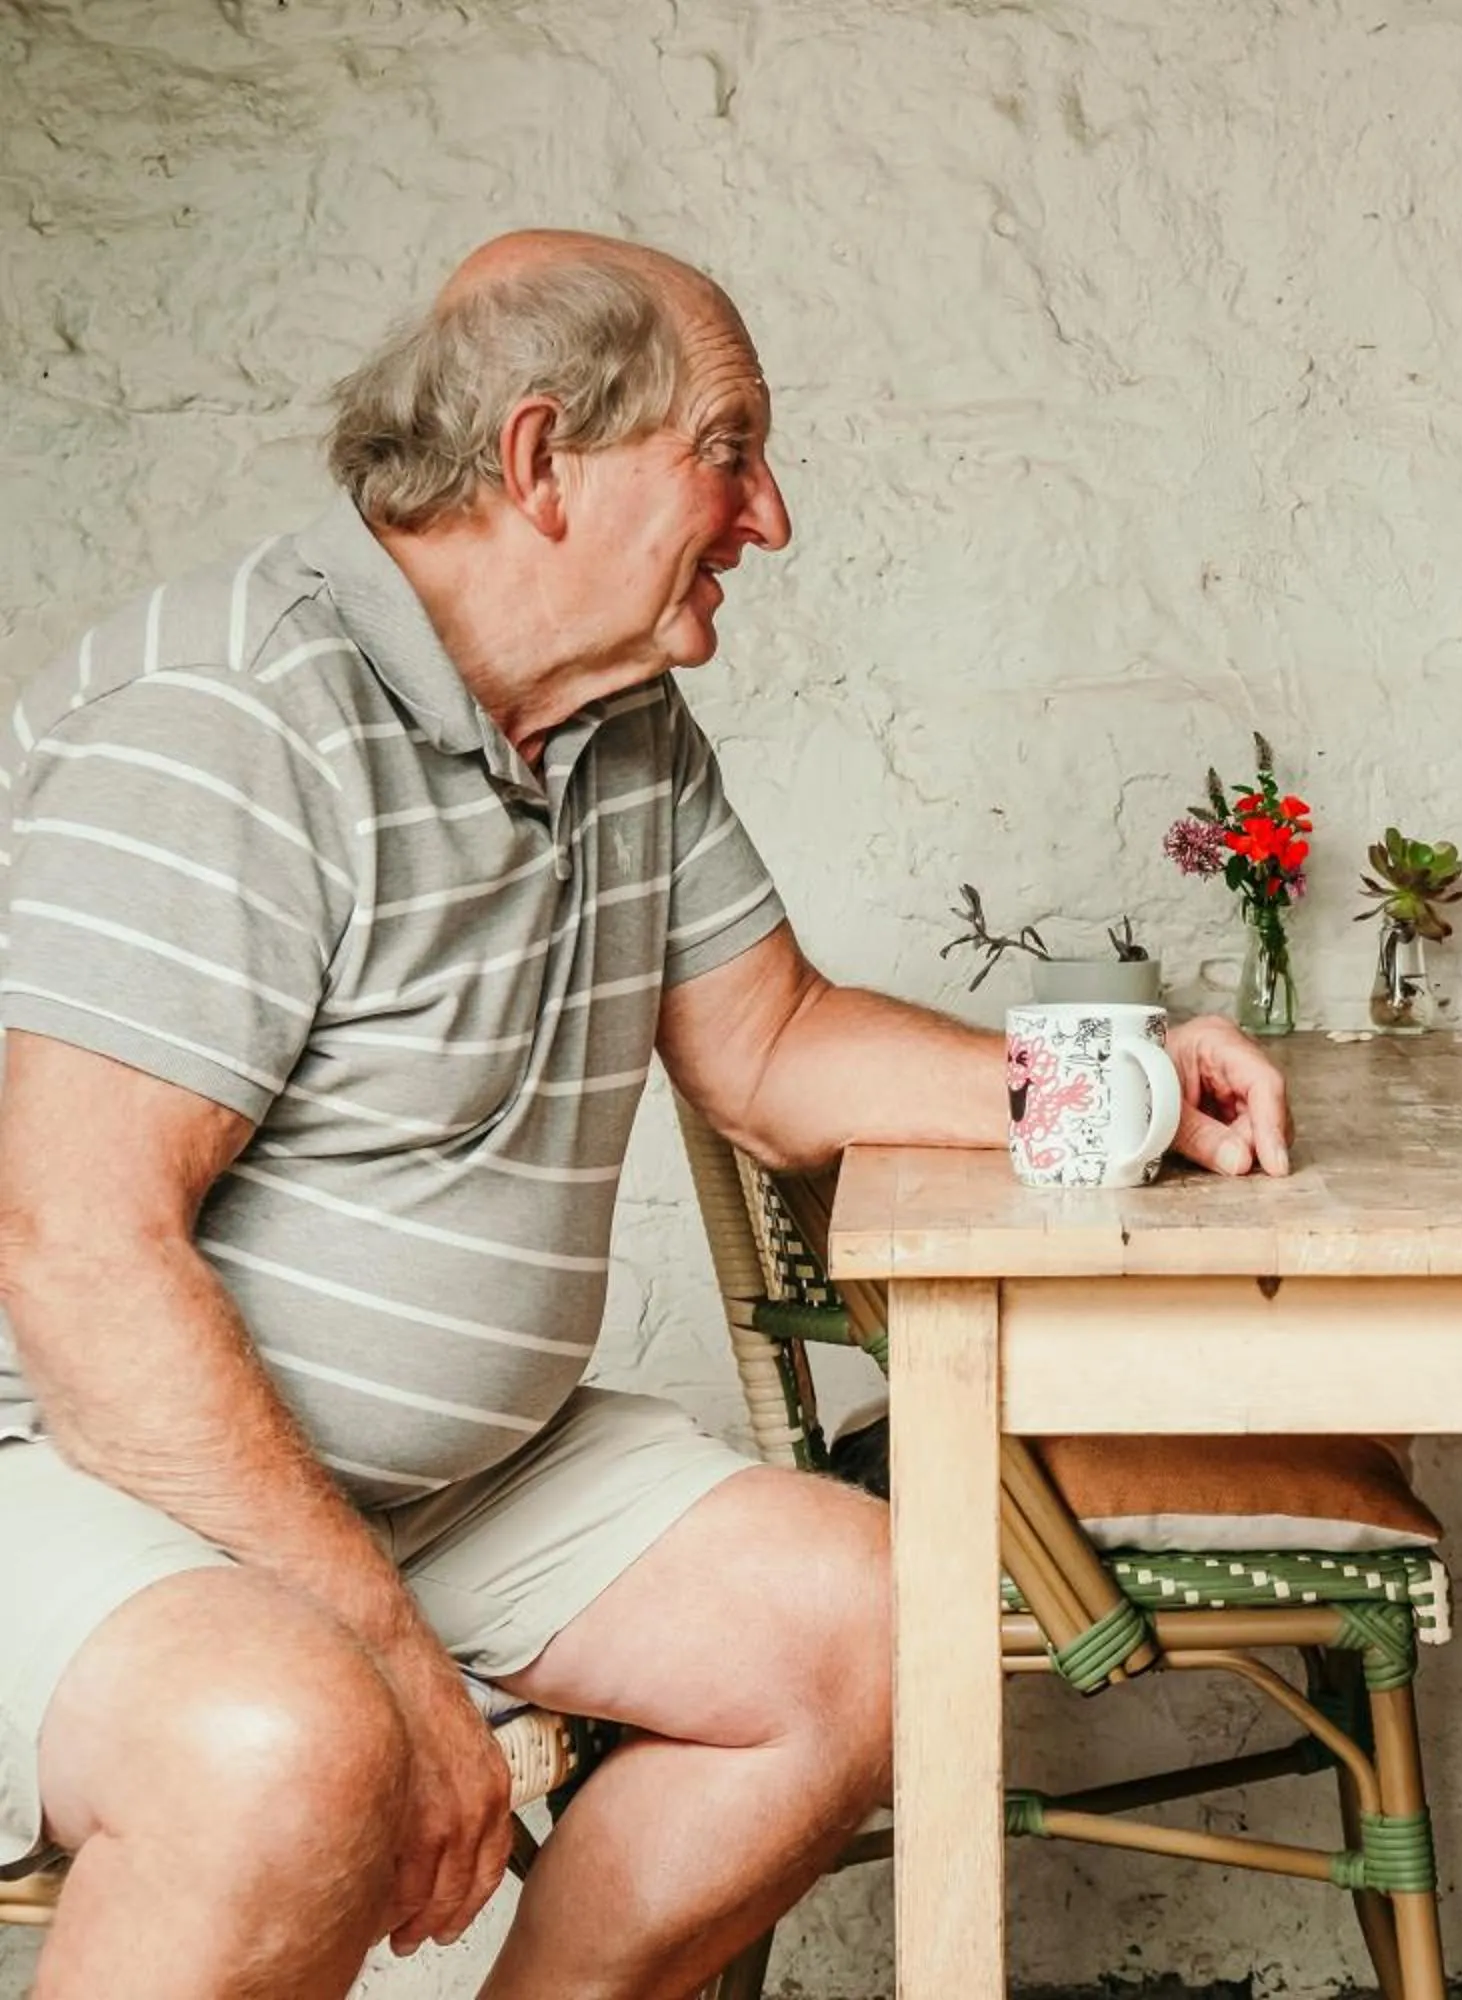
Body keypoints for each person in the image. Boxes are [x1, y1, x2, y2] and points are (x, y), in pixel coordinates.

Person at [0, 230, 1291, 2000]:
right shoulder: (224, 716)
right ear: (543, 458)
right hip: (93, 1468)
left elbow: (771, 1047)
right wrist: (386, 1662)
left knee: (872, 1627)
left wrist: (1111, 1080)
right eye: (730, 453)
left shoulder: (620, 724)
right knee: (287, 1751)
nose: (771, 520)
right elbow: (78, 1252)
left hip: (450, 1487)